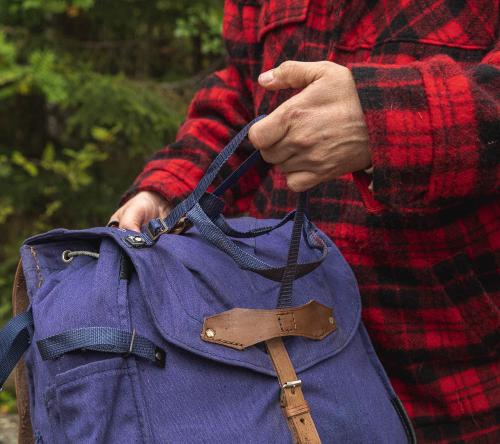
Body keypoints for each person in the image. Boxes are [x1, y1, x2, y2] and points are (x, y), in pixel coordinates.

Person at [110, 1, 499, 442]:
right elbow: (243, 94)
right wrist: (167, 188)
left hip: (452, 374)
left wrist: (382, 118)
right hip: (281, 359)